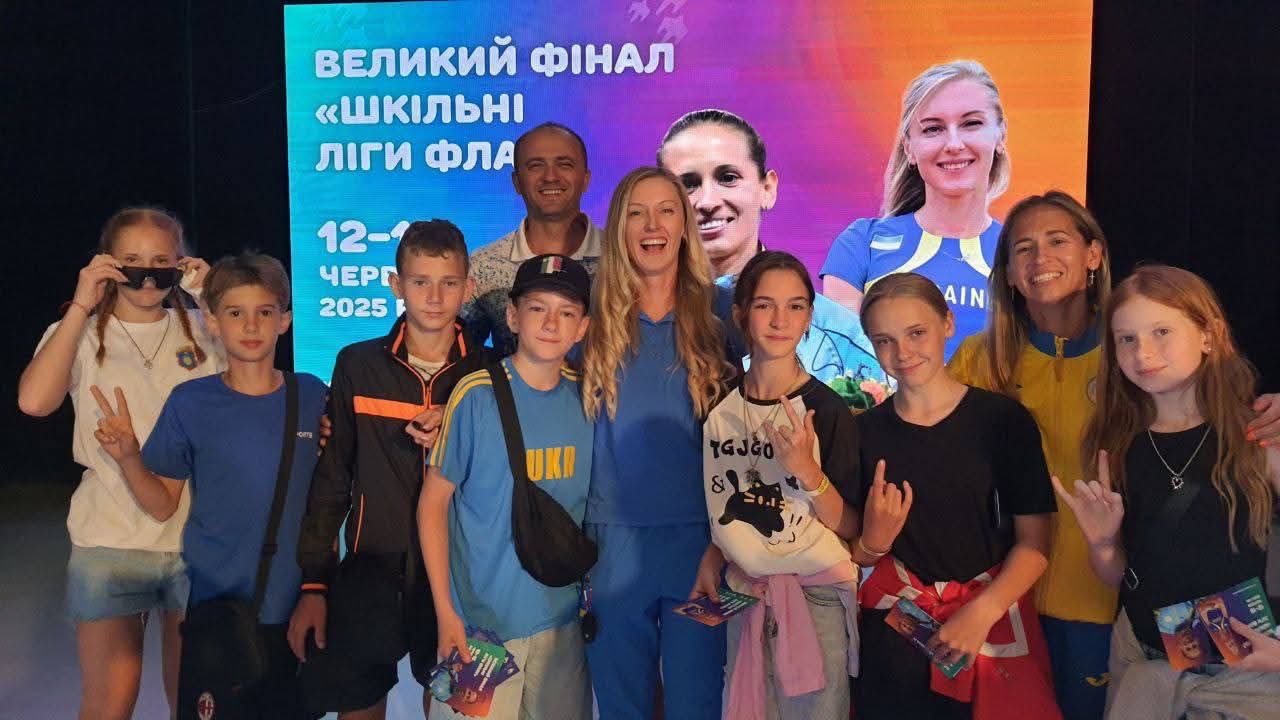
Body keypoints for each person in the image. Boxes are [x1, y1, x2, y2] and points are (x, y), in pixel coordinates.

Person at [947, 191, 1280, 719]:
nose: (1144, 353)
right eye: (1023, 248)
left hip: (1115, 616)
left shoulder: (1168, 392)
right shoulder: (980, 361)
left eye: (1057, 240)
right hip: (1018, 598)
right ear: (1006, 271)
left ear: (1094, 254)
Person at [92, 252, 327, 719]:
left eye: (265, 312)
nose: (251, 325)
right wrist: (129, 458)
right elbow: (162, 503)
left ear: (285, 321)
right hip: (217, 612)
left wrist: (318, 591)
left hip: (294, 608)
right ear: (214, 323)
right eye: (235, 313)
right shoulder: (190, 402)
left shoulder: (312, 395)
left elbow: (332, 494)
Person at [17, 207, 221, 719]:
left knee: (197, 700)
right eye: (131, 260)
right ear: (106, 262)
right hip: (110, 539)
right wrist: (82, 304)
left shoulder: (203, 326)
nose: (146, 274)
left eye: (161, 261)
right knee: (110, 701)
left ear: (182, 263)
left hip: (199, 538)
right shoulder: (81, 332)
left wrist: (212, 298)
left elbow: (254, 381)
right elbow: (34, 402)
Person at [1055, 265, 1280, 719]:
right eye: (1127, 339)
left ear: (1208, 335)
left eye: (1161, 331)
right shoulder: (1114, 444)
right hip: (1142, 665)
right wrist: (1101, 542)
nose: (1143, 353)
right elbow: (1116, 572)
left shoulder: (1257, 435)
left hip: (1248, 677)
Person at [291, 220, 491, 719]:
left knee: (453, 706)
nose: (434, 297)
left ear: (469, 287)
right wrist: (314, 583)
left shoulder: (489, 372)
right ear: (395, 284)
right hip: (371, 567)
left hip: (459, 572)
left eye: (448, 283)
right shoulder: (357, 364)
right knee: (358, 704)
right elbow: (333, 476)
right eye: (420, 282)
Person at [853, 272, 1061, 719]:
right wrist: (870, 544)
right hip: (895, 639)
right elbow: (853, 552)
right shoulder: (862, 434)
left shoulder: (1002, 421)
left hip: (987, 627)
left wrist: (982, 612)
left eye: (916, 333)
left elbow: (1036, 542)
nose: (903, 352)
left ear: (948, 323)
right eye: (885, 340)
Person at [579, 167, 733, 720]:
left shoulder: (721, 316)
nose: (652, 226)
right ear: (619, 228)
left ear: (685, 225)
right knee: (623, 706)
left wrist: (723, 544)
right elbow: (526, 386)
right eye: (637, 213)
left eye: (666, 210)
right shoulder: (587, 319)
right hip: (611, 548)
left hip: (700, 546)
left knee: (696, 703)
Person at [420, 253, 595, 720]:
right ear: (513, 316)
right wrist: (445, 613)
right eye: (538, 308)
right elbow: (433, 504)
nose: (551, 323)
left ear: (582, 328)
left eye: (567, 313)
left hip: (561, 627)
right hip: (480, 631)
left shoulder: (588, 398)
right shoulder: (475, 394)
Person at [704, 250, 878, 719]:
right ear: (741, 314)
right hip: (746, 593)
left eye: (795, 306)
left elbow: (850, 525)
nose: (780, 320)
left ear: (809, 317)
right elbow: (727, 501)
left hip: (814, 597)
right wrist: (714, 554)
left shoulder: (828, 411)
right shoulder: (720, 412)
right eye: (765, 305)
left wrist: (809, 472)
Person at [658, 108, 880, 384]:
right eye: (687, 185)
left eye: (728, 178)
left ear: (767, 189)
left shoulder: (840, 341)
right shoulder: (628, 328)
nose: (708, 202)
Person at [822, 60, 1008, 359]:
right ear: (909, 147)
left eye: (971, 123)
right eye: (933, 129)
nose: (954, 144)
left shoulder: (1022, 256)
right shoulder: (860, 245)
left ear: (1000, 135)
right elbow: (841, 369)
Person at [465, 122, 604, 356]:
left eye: (565, 164)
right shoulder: (483, 267)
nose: (550, 176)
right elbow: (455, 357)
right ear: (517, 182)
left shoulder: (623, 258)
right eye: (535, 166)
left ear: (586, 178)